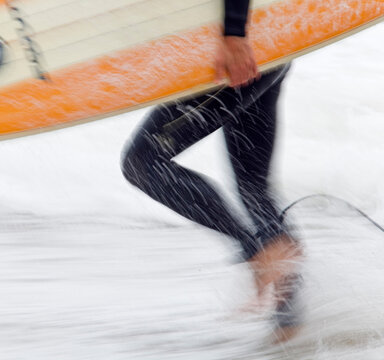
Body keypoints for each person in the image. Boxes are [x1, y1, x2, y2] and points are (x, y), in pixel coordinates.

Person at [121, 0, 304, 343]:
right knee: (253, 187)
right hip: (272, 38)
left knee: (142, 162)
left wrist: (233, 33)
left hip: (236, 48)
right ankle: (289, 330)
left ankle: (256, 250)